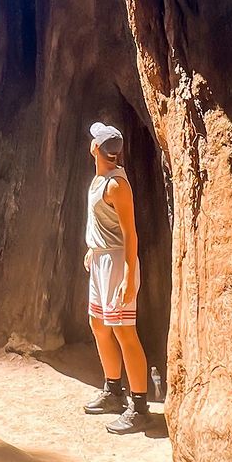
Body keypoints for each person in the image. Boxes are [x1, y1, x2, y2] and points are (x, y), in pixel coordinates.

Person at [83, 121, 149, 434]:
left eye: (93, 140)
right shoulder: (98, 181)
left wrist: (128, 275)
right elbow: (102, 224)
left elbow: (130, 234)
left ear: (97, 148)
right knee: (98, 325)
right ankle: (113, 391)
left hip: (118, 263)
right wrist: (92, 249)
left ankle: (139, 407)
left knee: (124, 331)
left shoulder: (116, 185)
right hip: (99, 260)